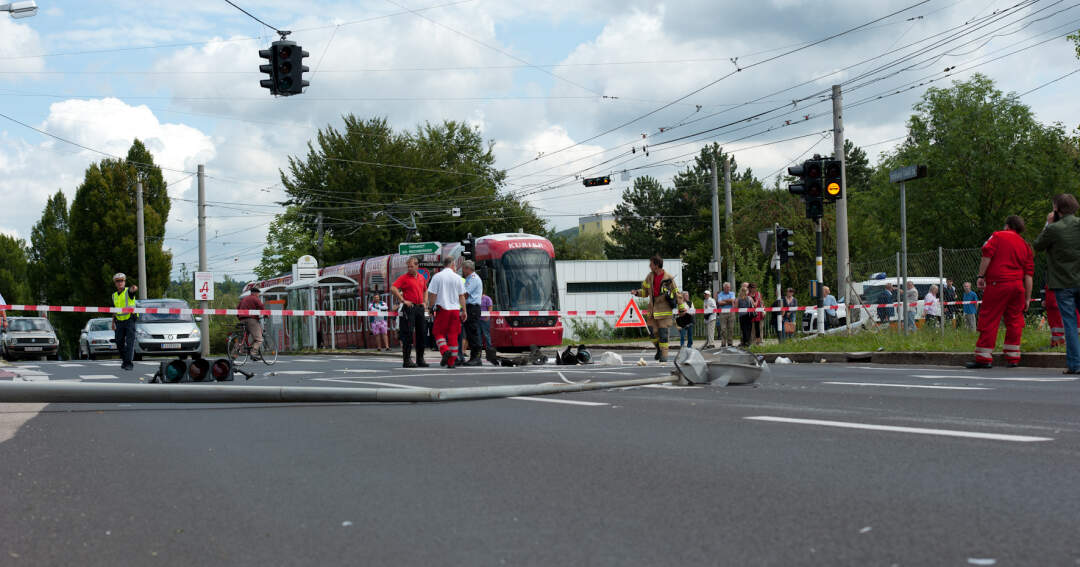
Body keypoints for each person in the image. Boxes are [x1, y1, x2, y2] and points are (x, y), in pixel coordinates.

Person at [967, 215, 1034, 369]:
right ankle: (1013, 356)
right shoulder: (1025, 245)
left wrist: (981, 275)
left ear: (1007, 226)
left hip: (998, 284)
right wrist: (1028, 298)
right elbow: (1029, 275)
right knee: (1015, 320)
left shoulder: (998, 236)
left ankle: (983, 357)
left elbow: (987, 255)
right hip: (1018, 287)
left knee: (989, 318)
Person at [1033, 193, 1080, 375]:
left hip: (1063, 283)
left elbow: (1037, 245)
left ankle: (1075, 364)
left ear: (1057, 209)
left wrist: (1048, 223)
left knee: (1069, 324)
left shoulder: (1054, 229)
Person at [630, 255, 680, 362]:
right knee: (652, 332)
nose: (649, 266)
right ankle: (659, 349)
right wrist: (637, 293)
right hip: (652, 311)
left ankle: (664, 356)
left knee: (663, 335)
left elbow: (676, 293)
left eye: (651, 264)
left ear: (656, 265)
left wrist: (682, 308)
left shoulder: (668, 278)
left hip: (664, 312)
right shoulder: (649, 276)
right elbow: (645, 292)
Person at [426, 256, 467, 369]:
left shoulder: (437, 277)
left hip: (442, 309)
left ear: (444, 265)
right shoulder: (458, 278)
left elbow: (432, 294)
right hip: (455, 310)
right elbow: (461, 296)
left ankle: (445, 351)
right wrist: (464, 310)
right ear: (453, 265)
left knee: (438, 332)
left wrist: (431, 307)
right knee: (453, 335)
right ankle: (451, 362)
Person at [391, 256, 429, 368]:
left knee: (422, 333)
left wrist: (425, 302)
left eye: (411, 266)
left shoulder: (421, 277)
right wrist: (402, 300)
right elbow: (393, 288)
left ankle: (420, 359)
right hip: (409, 307)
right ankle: (407, 360)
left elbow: (425, 290)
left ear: (417, 266)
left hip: (419, 308)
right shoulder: (404, 278)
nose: (409, 268)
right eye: (408, 266)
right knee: (407, 334)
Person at [110, 273, 138, 371]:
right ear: (115, 283)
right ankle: (125, 361)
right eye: (118, 281)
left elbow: (132, 290)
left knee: (129, 343)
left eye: (122, 281)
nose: (120, 283)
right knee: (119, 342)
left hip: (130, 320)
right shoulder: (114, 295)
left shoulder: (128, 292)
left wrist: (134, 288)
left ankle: (128, 364)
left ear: (124, 282)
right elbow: (114, 310)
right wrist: (113, 323)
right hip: (119, 322)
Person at [461, 260, 484, 366]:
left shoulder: (473, 279)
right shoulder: (469, 279)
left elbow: (465, 294)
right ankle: (474, 357)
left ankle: (477, 358)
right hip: (470, 308)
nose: (463, 270)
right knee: (470, 334)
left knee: (473, 333)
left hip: (473, 308)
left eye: (464, 268)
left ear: (468, 269)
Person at [237, 288, 266, 359]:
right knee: (259, 339)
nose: (258, 295)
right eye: (258, 294)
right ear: (256, 293)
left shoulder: (244, 299)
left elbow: (237, 308)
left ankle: (233, 355)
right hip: (251, 320)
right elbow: (261, 306)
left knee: (240, 339)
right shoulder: (255, 298)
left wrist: (240, 317)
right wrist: (266, 314)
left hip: (242, 319)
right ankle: (253, 353)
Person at [717, 282, 736, 347]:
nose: (728, 288)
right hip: (722, 313)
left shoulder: (732, 293)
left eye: (729, 287)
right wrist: (729, 301)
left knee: (731, 328)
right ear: (724, 288)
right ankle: (723, 343)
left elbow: (733, 300)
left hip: (731, 312)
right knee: (723, 329)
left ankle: (730, 343)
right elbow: (719, 303)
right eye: (726, 287)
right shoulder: (720, 294)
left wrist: (724, 301)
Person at [480, 293, 495, 361]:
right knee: (478, 337)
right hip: (477, 320)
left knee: (486, 336)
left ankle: (489, 354)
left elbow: (490, 308)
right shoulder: (476, 298)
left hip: (485, 320)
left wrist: (488, 316)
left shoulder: (487, 298)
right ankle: (478, 354)